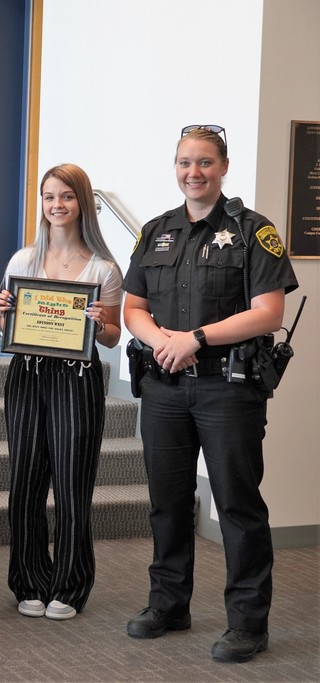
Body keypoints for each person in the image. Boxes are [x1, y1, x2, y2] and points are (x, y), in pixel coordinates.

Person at [122, 125, 298, 663]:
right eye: (184, 163)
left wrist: (195, 339)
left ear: (223, 167)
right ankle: (168, 603)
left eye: (203, 162)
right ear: (175, 168)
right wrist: (164, 344)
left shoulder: (252, 231)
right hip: (165, 388)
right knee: (167, 503)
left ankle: (248, 623)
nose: (193, 172)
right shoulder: (155, 232)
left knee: (237, 506)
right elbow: (133, 308)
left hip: (229, 390)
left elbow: (270, 311)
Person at [0, 163, 122, 621]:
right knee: (24, 484)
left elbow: (112, 338)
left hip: (78, 378)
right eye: (49, 197)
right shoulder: (21, 261)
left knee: (72, 487)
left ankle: (69, 585)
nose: (57, 205)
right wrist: (1, 310)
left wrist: (100, 323)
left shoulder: (103, 268)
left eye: (66, 196)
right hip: (27, 376)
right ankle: (29, 579)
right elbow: (5, 327)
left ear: (82, 202)